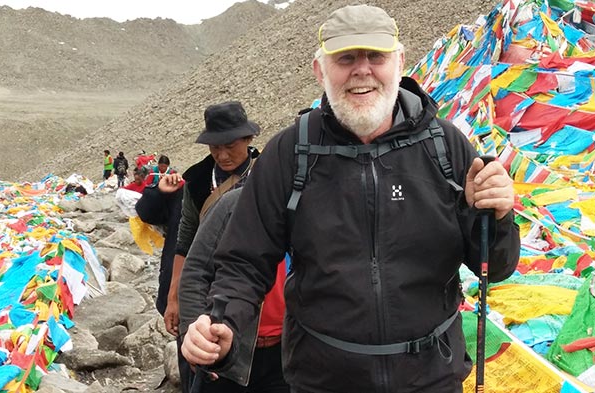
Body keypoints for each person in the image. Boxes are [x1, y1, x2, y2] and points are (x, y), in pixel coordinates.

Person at [181, 5, 521, 393]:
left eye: (376, 56)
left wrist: (497, 216)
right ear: (319, 69)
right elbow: (244, 262)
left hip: (432, 378)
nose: (362, 70)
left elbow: (493, 266)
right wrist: (223, 321)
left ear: (400, 62)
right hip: (323, 381)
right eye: (345, 58)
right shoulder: (290, 153)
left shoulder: (446, 147)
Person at [158, 101, 261, 392]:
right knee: (198, 364)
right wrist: (174, 297)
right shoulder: (198, 179)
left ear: (248, 139)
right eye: (215, 147)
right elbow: (185, 240)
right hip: (201, 283)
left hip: (250, 286)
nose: (222, 155)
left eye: (230, 145)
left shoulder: (269, 173)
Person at [179, 188, 289, 392]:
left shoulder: (311, 208)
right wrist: (194, 334)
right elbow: (195, 271)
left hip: (285, 351)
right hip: (229, 347)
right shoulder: (232, 205)